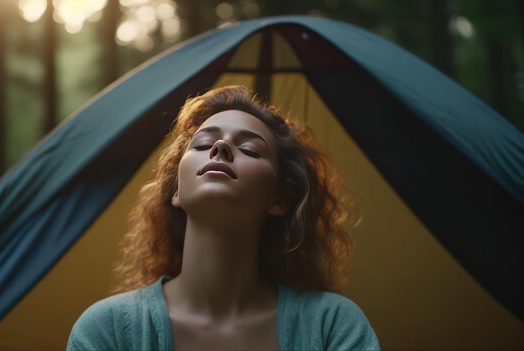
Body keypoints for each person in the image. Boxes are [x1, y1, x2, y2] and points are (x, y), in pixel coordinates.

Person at [67, 85, 379, 350]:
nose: (220, 146)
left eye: (250, 149)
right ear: (176, 191)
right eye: (202, 144)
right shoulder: (108, 331)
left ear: (279, 199)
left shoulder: (332, 327)